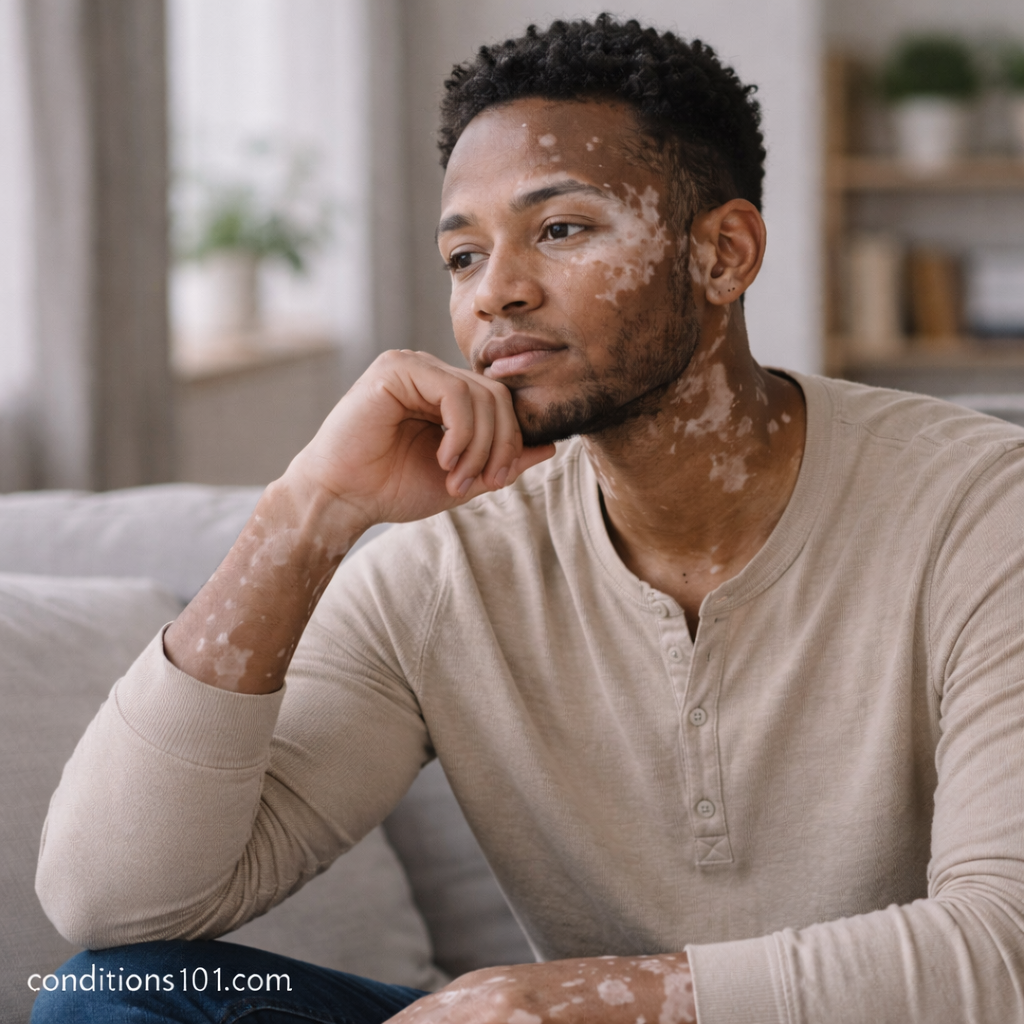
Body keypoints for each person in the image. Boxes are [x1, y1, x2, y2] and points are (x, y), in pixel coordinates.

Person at [32, 14, 1024, 1024]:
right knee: (119, 997)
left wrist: (572, 1001)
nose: (494, 294)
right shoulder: (445, 569)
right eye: (463, 255)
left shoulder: (984, 510)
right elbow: (114, 903)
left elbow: (1006, 950)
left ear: (723, 254)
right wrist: (308, 510)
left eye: (560, 230)